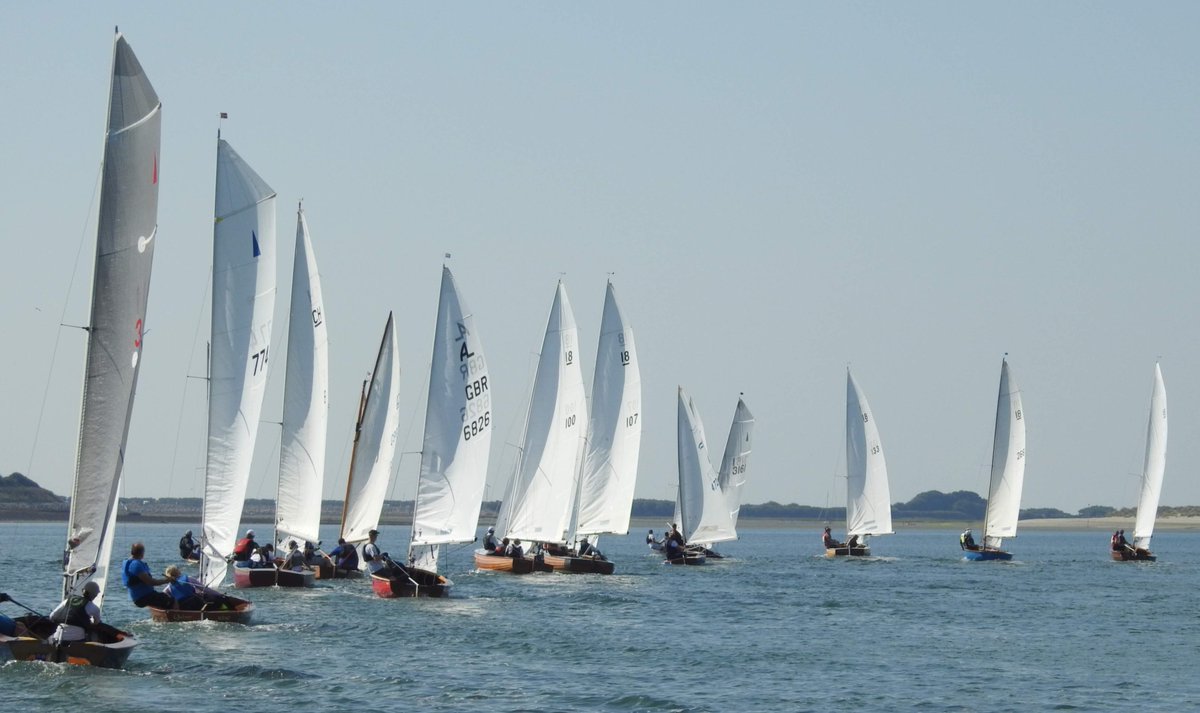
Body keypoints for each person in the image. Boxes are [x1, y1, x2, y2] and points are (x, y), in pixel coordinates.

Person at [123, 542, 175, 609]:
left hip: (138, 597)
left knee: (162, 597)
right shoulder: (136, 565)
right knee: (172, 600)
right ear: (142, 553)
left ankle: (162, 615)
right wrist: (167, 580)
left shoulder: (128, 562)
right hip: (143, 597)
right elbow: (151, 582)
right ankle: (178, 617)